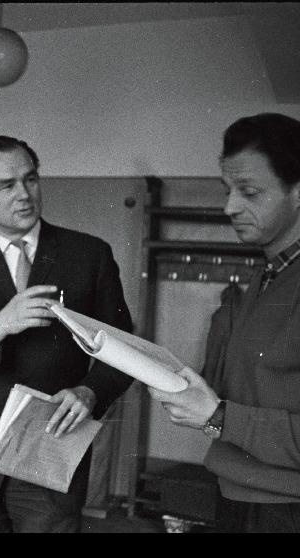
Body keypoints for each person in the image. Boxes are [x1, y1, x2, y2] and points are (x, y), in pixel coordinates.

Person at [0, 135, 133, 532]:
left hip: (52, 454)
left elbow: (124, 350)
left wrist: (90, 391)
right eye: (6, 185)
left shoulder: (89, 255)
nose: (24, 195)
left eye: (31, 180)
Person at [149, 113, 300, 533]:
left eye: (249, 191)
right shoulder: (267, 276)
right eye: (228, 190)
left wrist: (217, 416)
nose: (229, 206)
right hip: (240, 494)